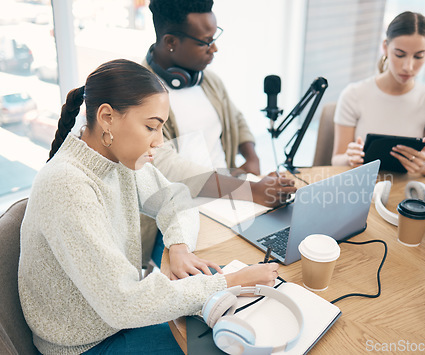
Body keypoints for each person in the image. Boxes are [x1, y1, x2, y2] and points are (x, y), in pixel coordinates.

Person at [18, 59, 279, 354]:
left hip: (116, 319)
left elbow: (177, 197)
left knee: (231, 327)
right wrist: (229, 282)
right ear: (107, 117)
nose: (158, 142)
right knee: (229, 344)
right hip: (86, 344)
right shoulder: (67, 186)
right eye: (151, 127)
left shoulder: (116, 158)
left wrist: (179, 246)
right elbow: (123, 303)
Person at [140, 0, 297, 267]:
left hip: (227, 196)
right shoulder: (139, 94)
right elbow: (166, 166)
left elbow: (235, 117)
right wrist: (250, 190)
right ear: (170, 42)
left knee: (281, 252)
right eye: (205, 42)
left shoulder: (208, 80)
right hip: (173, 220)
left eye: (214, 38)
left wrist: (251, 156)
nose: (215, 48)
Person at [331, 11, 425, 176]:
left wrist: (424, 166)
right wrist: (349, 158)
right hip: (361, 186)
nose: (408, 66)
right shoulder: (353, 94)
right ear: (385, 47)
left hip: (406, 192)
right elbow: (336, 159)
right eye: (399, 54)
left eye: (419, 56)